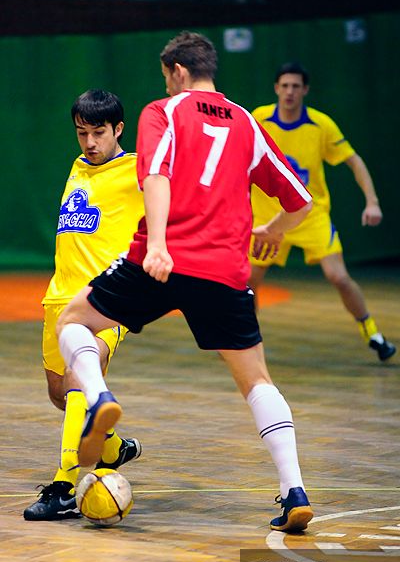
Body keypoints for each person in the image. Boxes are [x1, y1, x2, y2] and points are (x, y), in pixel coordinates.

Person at [56, 31, 314, 533]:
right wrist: (272, 231)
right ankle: (295, 492)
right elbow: (300, 201)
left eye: (165, 76)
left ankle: (99, 397)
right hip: (225, 269)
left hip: (163, 258)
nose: (165, 84)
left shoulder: (164, 111)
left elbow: (155, 174)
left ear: (177, 71)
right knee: (257, 381)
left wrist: (157, 244)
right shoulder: (247, 122)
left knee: (74, 321)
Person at [24, 89, 145, 521]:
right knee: (61, 395)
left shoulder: (137, 170)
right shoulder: (78, 166)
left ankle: (63, 487)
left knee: (79, 379)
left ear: (118, 129)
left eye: (99, 133)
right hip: (60, 297)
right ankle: (113, 448)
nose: (90, 142)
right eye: (82, 133)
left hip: (105, 299)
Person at [250, 62, 396, 362]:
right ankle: (247, 340)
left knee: (338, 276)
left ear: (305, 90)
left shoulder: (321, 125)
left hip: (309, 214)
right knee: (249, 282)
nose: (290, 92)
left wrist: (372, 201)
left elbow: (354, 161)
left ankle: (373, 333)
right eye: (284, 86)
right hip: (266, 217)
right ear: (276, 88)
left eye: (295, 86)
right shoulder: (258, 119)